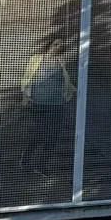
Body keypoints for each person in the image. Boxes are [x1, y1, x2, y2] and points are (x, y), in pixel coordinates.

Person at [20, 37, 78, 177]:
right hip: (39, 102)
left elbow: (67, 80)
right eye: (55, 44)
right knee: (37, 133)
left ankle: (42, 164)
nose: (57, 47)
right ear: (49, 45)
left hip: (56, 104)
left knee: (53, 136)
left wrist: (69, 94)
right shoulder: (37, 59)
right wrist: (26, 96)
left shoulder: (61, 61)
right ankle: (26, 160)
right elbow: (27, 77)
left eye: (60, 45)